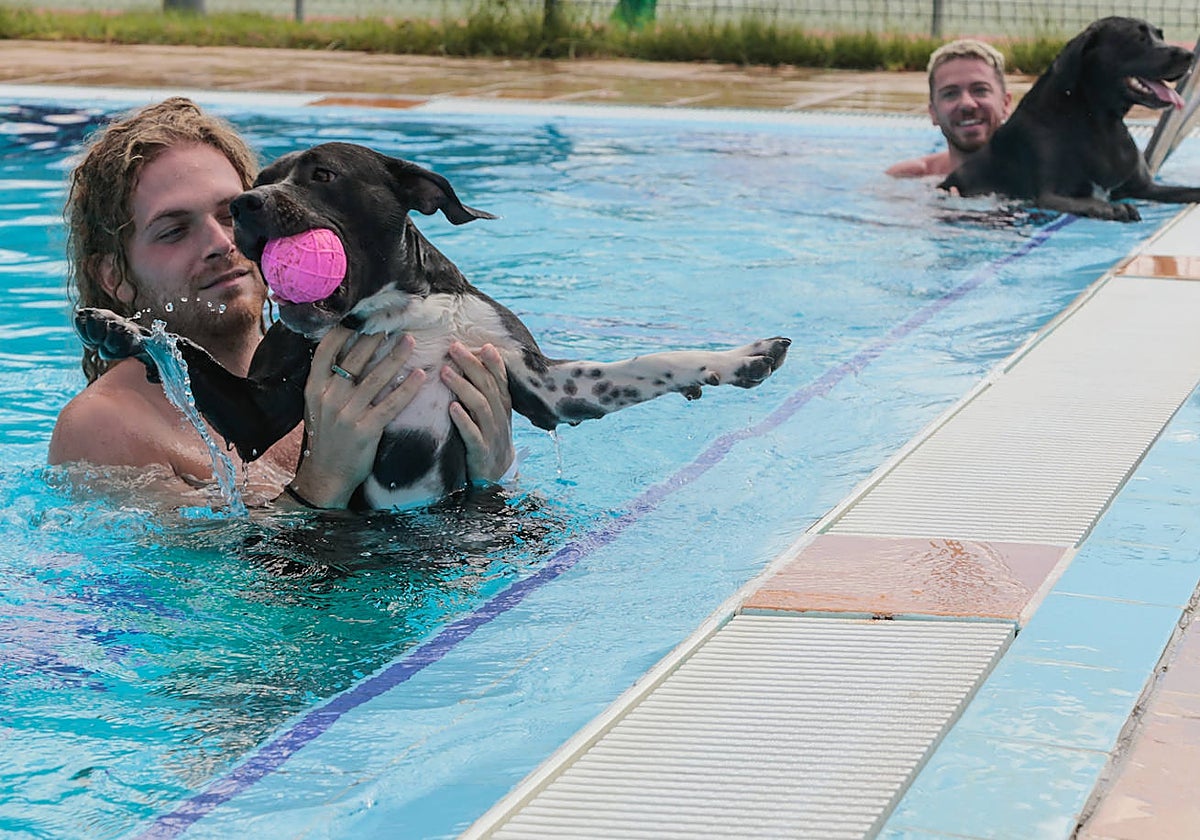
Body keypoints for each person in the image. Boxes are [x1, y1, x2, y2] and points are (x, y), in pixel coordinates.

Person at [48, 97, 514, 510]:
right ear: (114, 278)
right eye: (174, 230)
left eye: (232, 213)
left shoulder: (347, 355)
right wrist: (323, 483)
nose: (221, 243)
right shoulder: (107, 427)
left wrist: (490, 476)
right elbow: (213, 595)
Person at [886, 39, 1013, 179]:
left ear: (1005, 104)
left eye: (980, 90)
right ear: (933, 112)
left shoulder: (1035, 177)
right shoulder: (908, 178)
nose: (967, 104)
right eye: (950, 94)